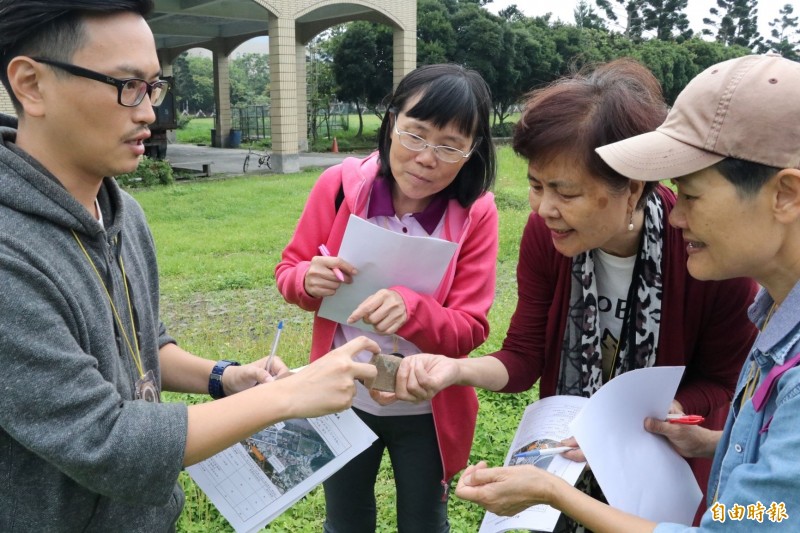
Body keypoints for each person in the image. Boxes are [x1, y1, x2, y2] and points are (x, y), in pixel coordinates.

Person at [0, 1, 378, 531]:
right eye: (127, 85)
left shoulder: (123, 212)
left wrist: (226, 379)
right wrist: (288, 396)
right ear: (31, 84)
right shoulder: (9, 255)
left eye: (154, 86)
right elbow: (104, 440)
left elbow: (145, 346)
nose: (149, 112)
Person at [391, 58, 759, 530]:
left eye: (566, 192)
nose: (545, 209)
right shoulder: (546, 238)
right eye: (535, 185)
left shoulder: (706, 255)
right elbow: (524, 356)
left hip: (663, 476)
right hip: (570, 467)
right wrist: (454, 369)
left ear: (633, 188)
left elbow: (726, 383)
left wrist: (666, 412)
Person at [275, 63, 498, 532]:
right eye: (415, 135)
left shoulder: (475, 212)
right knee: (346, 520)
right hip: (343, 394)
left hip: (425, 407)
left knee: (424, 522)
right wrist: (306, 280)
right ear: (391, 122)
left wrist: (411, 308)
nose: (426, 158)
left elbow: (470, 329)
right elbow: (289, 270)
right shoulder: (338, 186)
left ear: (472, 151)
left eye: (449, 146)